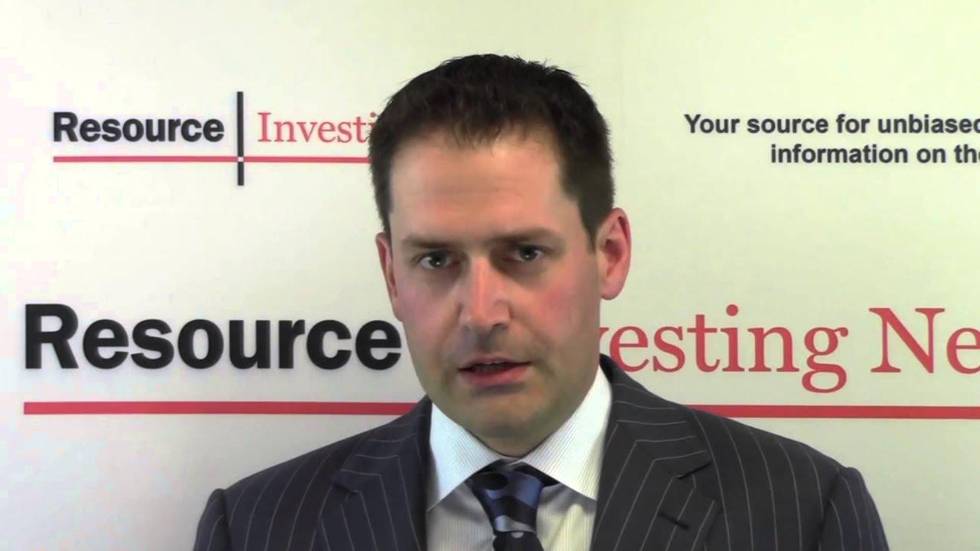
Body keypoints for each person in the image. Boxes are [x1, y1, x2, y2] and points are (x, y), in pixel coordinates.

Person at [193, 54, 888, 551]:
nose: (481, 312)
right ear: (391, 275)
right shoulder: (255, 528)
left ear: (609, 253)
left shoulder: (803, 511)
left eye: (524, 253)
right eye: (435, 260)